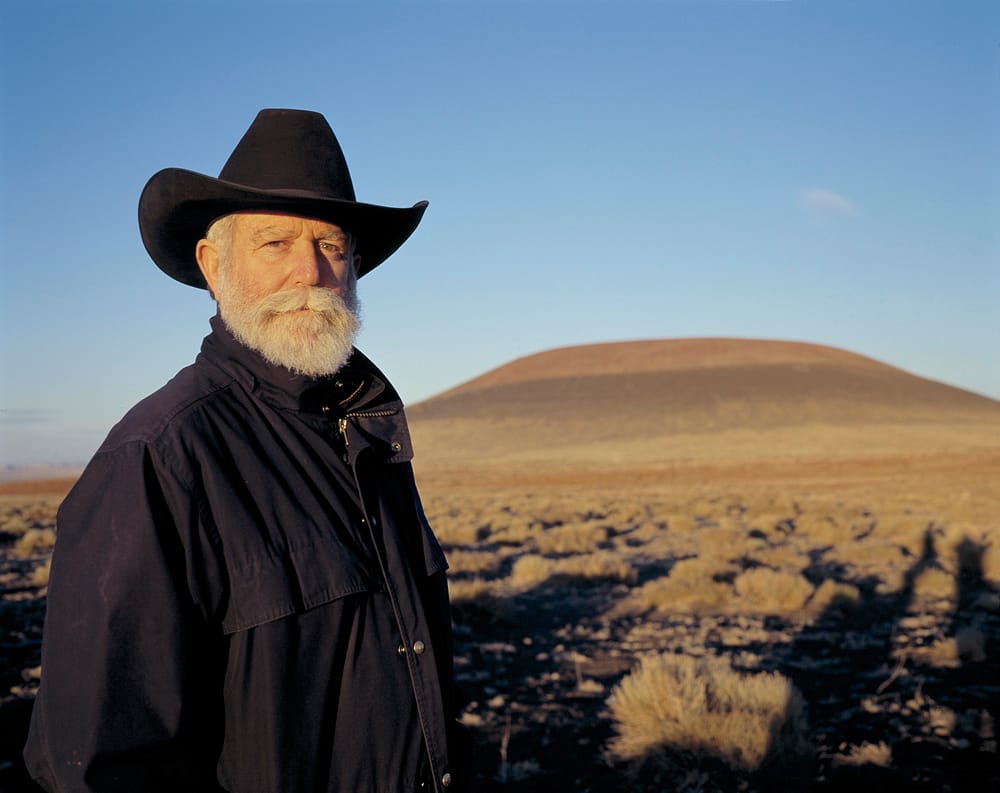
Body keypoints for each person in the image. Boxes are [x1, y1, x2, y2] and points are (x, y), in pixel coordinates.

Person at [24, 109, 468, 793]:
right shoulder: (160, 457)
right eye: (274, 243)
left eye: (331, 245)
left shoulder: (369, 438)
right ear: (212, 264)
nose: (310, 271)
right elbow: (103, 763)